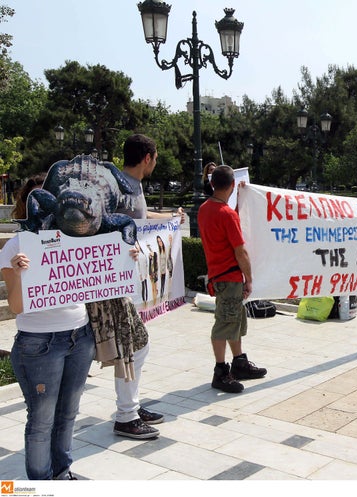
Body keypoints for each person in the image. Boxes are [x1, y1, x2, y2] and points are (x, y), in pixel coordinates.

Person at [88, 134, 185, 440]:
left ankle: (132, 406)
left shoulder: (128, 187)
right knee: (134, 347)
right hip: (115, 285)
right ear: (147, 158)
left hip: (125, 282)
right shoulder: (119, 190)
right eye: (155, 158)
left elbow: (139, 219)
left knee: (133, 347)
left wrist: (169, 217)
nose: (155, 163)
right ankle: (126, 416)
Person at [1, 177, 95, 480]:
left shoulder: (77, 237)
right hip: (38, 344)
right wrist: (16, 273)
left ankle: (62, 473)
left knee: (68, 415)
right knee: (42, 420)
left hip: (79, 337)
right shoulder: (17, 245)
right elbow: (16, 306)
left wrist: (125, 258)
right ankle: (40, 483)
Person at [198, 165, 267, 393]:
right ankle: (220, 371)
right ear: (232, 185)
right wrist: (249, 278)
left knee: (234, 321)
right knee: (225, 323)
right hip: (229, 277)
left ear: (211, 184)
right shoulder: (226, 214)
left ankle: (239, 362)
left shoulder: (205, 209)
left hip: (218, 274)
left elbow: (226, 219)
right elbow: (240, 251)